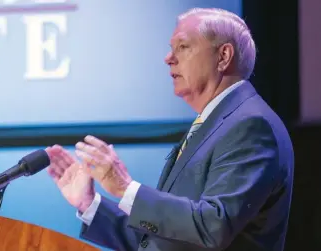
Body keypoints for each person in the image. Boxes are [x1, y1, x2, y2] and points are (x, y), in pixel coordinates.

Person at [46, 7, 294, 251]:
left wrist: (125, 188)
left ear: (223, 57)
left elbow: (213, 227)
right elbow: (161, 238)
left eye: (183, 47)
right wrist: (90, 204)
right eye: (171, 48)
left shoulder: (250, 126)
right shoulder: (214, 124)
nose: (168, 58)